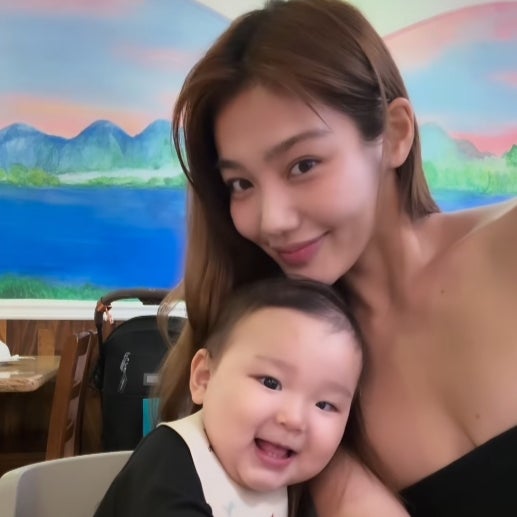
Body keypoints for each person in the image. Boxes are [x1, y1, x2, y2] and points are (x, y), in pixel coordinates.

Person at [156, 0, 517, 515]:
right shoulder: (289, 389)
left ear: (395, 135)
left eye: (303, 164)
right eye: (241, 184)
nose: (272, 220)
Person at [94, 277, 367, 517]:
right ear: (204, 378)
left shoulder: (300, 488)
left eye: (325, 404)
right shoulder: (167, 464)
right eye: (271, 382)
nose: (295, 419)